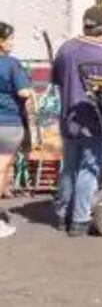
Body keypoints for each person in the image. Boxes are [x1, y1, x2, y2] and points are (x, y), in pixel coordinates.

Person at [51, 6, 102, 236]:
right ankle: (80, 219)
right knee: (90, 169)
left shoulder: (66, 49)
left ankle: (63, 214)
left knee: (69, 168)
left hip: (69, 117)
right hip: (96, 120)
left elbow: (57, 81)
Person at [0, 22, 32, 238]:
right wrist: (31, 91)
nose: (12, 42)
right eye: (9, 38)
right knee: (2, 170)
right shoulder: (11, 64)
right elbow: (23, 92)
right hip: (8, 123)